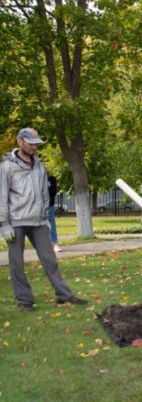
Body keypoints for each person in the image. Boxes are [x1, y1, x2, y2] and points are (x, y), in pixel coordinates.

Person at [0, 128, 87, 311]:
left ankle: (64, 295)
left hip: (38, 222)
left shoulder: (39, 166)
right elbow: (2, 196)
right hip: (15, 222)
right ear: (20, 142)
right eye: (31, 143)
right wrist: (4, 224)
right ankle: (25, 301)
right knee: (17, 264)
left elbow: (44, 195)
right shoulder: (7, 167)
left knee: (50, 259)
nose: (34, 147)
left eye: (36, 144)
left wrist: (46, 218)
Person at [47, 174, 62, 252]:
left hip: (48, 205)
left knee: (51, 224)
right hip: (35, 206)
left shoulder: (51, 179)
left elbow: (53, 191)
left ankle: (54, 243)